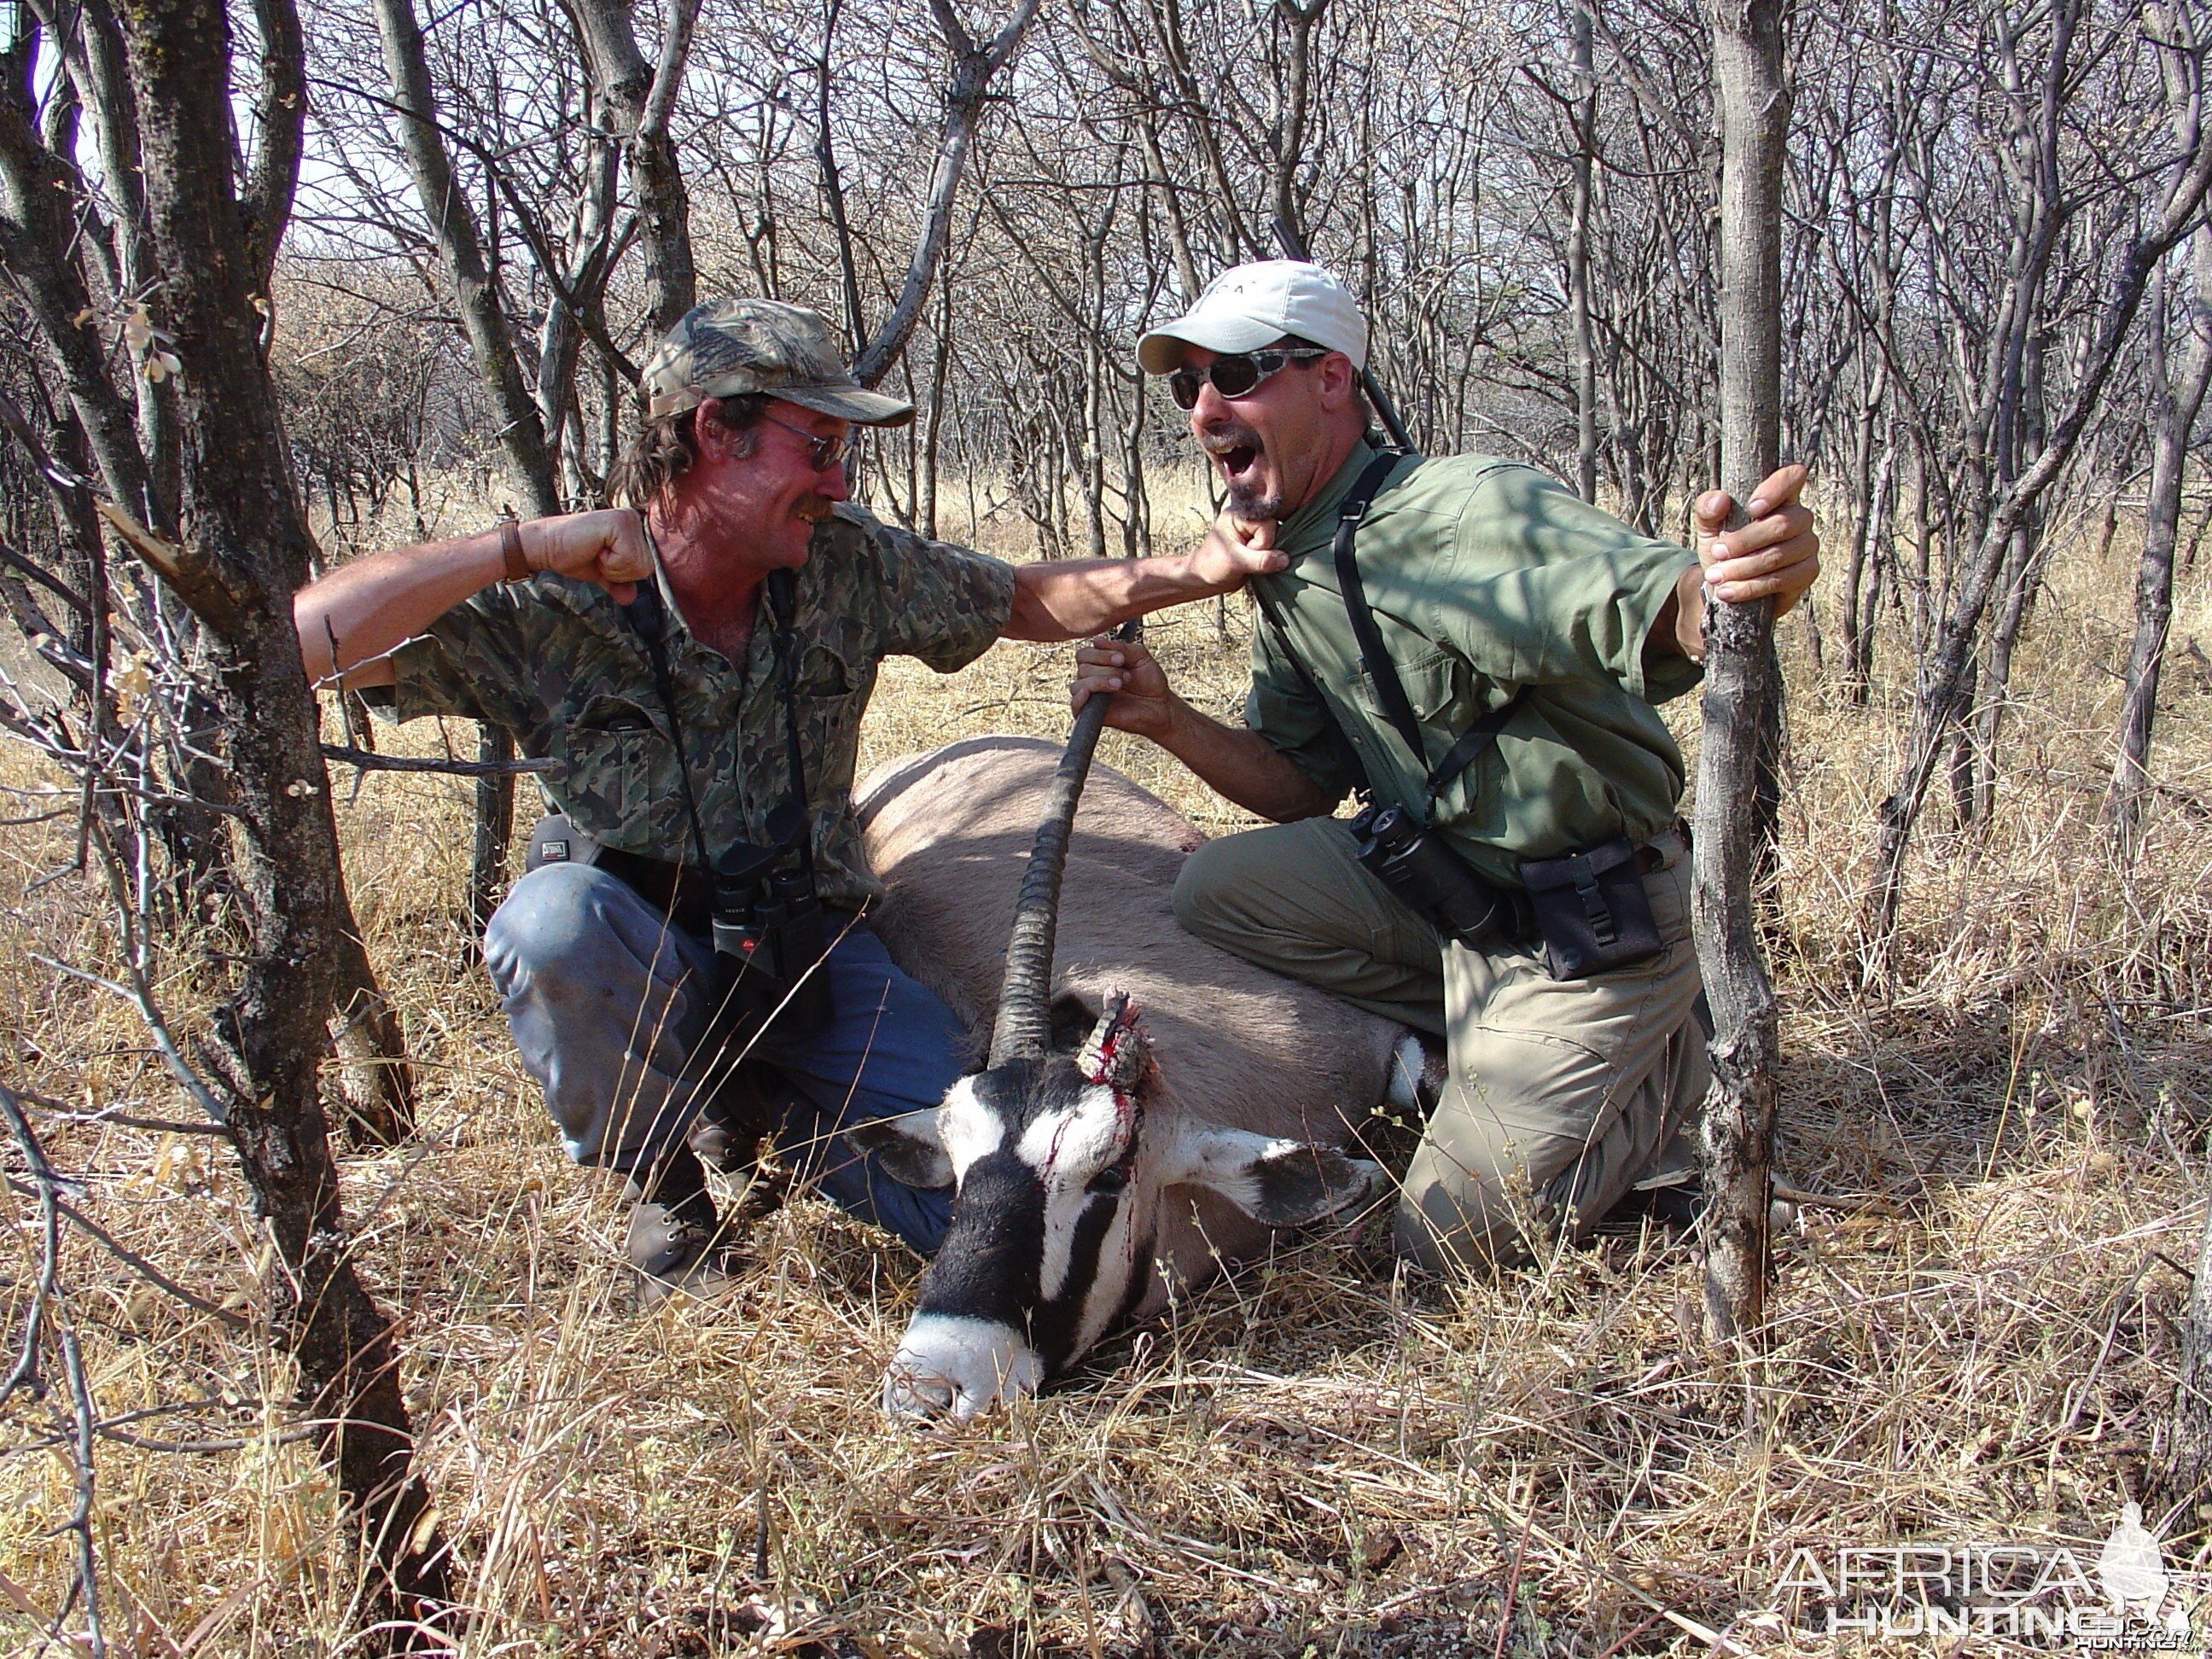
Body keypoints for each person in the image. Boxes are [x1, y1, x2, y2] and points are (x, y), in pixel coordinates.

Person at [295, 297, 1287, 1296]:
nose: (835, 479)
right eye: (814, 444)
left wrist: (1198, 571)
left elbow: (1021, 599)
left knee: (974, 1204)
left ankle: (779, 1112)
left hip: (807, 947)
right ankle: (664, 1187)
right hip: (640, 946)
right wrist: (518, 550)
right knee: (554, 925)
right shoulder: (554, 602)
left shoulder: (843, 563)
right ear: (712, 433)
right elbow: (303, 649)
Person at [1071, 260, 1820, 1272]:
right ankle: (1488, 1047)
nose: (1207, 410)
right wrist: (1167, 720)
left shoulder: (1458, 508)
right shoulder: (1289, 552)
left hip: (1592, 924)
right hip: (1455, 902)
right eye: (1188, 386)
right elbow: (1298, 783)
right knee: (1218, 891)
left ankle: (1664, 1081)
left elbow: (1642, 600)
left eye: (1238, 374)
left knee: (1443, 1245)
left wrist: (1726, 583)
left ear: (1332, 379)